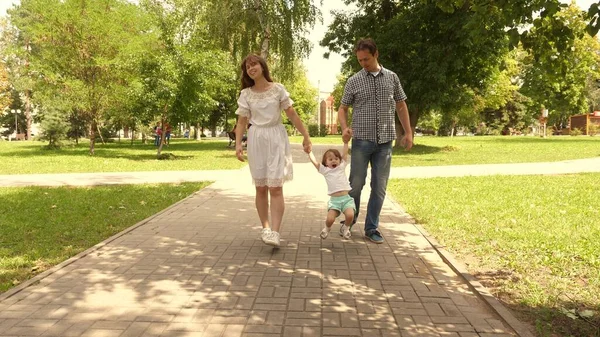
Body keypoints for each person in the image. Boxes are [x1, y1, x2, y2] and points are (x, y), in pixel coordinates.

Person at [338, 38, 413, 244]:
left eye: (367, 59)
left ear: (376, 54)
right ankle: (349, 223)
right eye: (360, 60)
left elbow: (401, 105)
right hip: (362, 140)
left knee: (379, 186)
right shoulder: (354, 80)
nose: (363, 63)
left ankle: (372, 227)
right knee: (356, 185)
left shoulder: (392, 77)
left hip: (385, 142)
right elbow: (342, 109)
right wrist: (345, 128)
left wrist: (408, 132)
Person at [235, 54, 312, 247]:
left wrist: (306, 135)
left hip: (276, 138)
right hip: (256, 139)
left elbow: (291, 114)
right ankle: (266, 228)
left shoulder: (278, 89)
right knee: (261, 187)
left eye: (254, 65)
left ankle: (276, 233)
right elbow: (242, 121)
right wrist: (238, 145)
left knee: (275, 187)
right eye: (247, 67)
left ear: (262, 66)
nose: (251, 69)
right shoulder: (246, 94)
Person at [307, 140, 355, 240]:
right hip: (335, 201)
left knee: (350, 215)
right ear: (326, 162)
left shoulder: (341, 167)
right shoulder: (325, 171)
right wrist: (309, 152)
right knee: (330, 219)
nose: (334, 161)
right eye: (330, 159)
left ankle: (346, 228)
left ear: (339, 160)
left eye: (336, 159)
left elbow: (345, 154)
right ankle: (327, 228)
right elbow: (315, 163)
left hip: (346, 199)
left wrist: (345, 143)